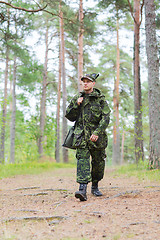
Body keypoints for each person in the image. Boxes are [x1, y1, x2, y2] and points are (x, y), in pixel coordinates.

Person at [65, 73, 111, 201]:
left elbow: (106, 118)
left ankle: (95, 186)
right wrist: (76, 105)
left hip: (97, 136)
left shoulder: (100, 99)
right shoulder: (77, 98)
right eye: (83, 81)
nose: (85, 83)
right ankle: (82, 189)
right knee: (82, 161)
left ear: (93, 83)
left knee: (98, 162)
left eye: (88, 81)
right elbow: (69, 116)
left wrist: (97, 132)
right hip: (81, 136)